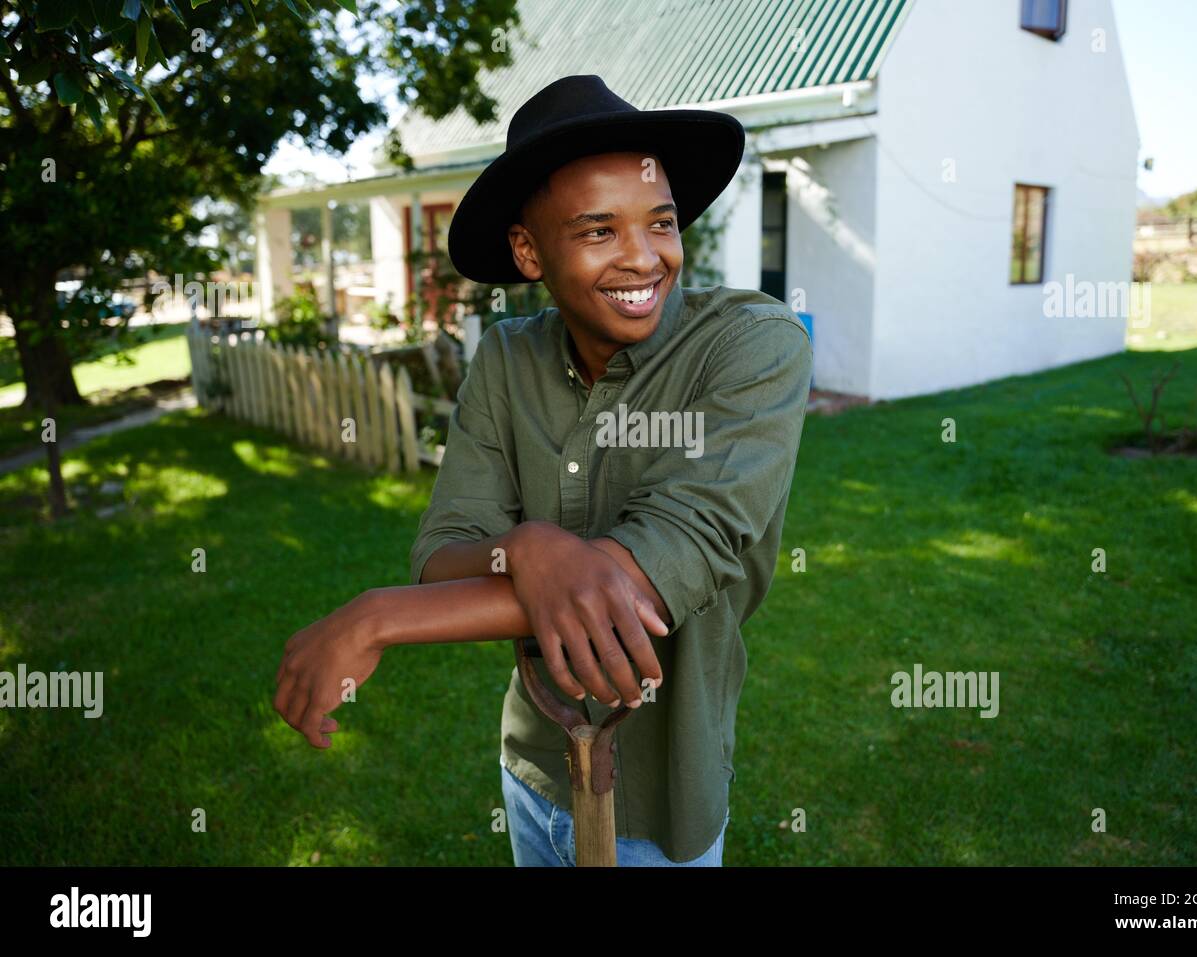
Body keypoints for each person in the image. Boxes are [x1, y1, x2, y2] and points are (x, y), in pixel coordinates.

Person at [273, 74, 813, 867]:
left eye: (659, 223)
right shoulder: (506, 359)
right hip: (533, 763)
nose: (644, 258)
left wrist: (375, 616)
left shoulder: (753, 347)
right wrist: (530, 549)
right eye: (599, 232)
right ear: (529, 250)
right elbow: (443, 551)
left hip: (667, 798)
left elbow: (654, 572)